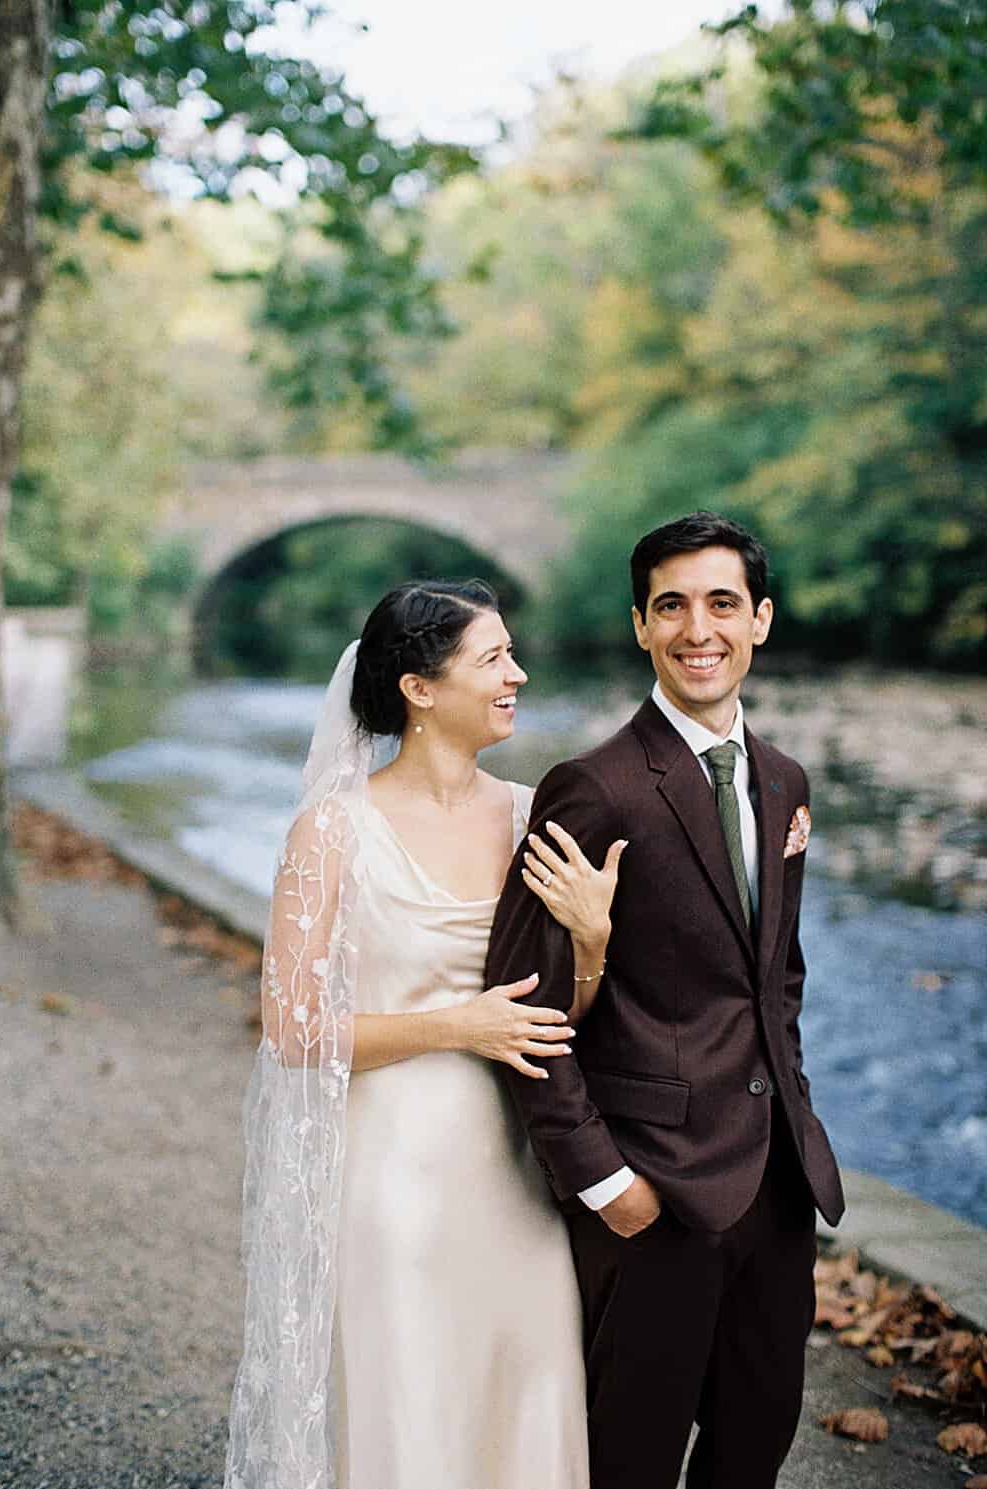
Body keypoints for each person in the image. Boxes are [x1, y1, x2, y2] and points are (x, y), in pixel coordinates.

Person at [227, 579, 623, 1489]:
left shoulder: (535, 816)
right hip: (391, 1177)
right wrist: (455, 1024)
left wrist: (594, 942)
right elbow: (289, 1029)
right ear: (419, 687)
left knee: (528, 1394)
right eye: (493, 658)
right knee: (412, 1411)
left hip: (520, 1172)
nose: (517, 673)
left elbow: (565, 1023)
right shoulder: (331, 829)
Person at [485, 513, 844, 1489]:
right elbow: (519, 1008)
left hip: (773, 1189)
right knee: (629, 1462)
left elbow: (779, 978)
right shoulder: (593, 787)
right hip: (652, 1194)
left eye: (721, 603)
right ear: (639, 624)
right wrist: (604, 1184)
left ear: (759, 620)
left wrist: (795, 1119)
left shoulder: (782, 780)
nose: (699, 628)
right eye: (671, 605)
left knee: (752, 1445)